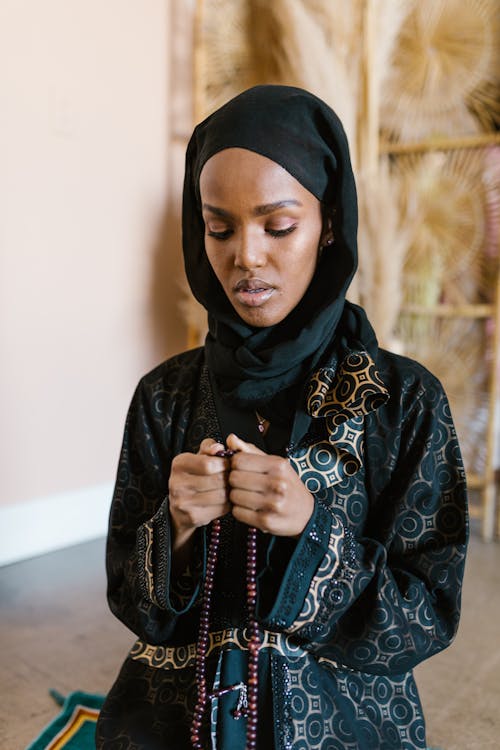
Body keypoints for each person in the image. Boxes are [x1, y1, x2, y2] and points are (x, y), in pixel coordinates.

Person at [96, 85, 468, 750]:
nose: (247, 256)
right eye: (219, 227)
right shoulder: (165, 396)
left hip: (346, 727)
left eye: (278, 225)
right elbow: (132, 605)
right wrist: (175, 526)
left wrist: (312, 534)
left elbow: (428, 617)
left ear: (329, 223)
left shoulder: (404, 401)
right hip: (178, 723)